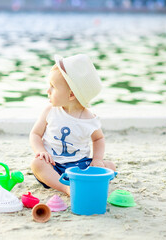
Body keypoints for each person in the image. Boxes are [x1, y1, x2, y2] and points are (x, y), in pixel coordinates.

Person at [29, 54, 116, 196]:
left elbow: (98, 139)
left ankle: (80, 181)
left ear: (71, 95)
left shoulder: (89, 119)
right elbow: (35, 134)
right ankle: (66, 188)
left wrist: (97, 159)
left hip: (80, 166)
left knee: (110, 166)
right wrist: (40, 151)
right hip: (53, 166)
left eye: (53, 87)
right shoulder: (50, 111)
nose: (47, 91)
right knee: (37, 164)